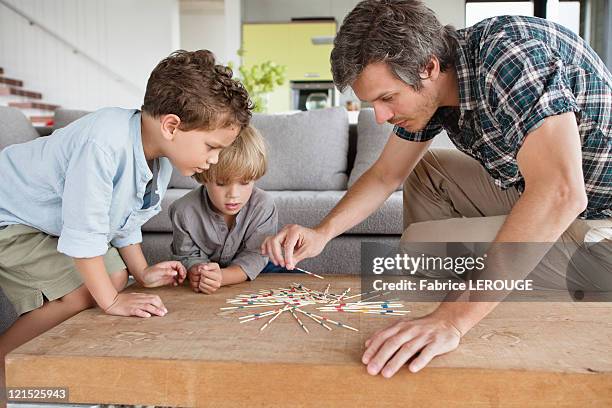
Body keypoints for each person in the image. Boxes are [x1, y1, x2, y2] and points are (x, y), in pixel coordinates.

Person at [261, 0, 611, 377]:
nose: (379, 116)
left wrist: (452, 319)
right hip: (558, 195)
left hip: (598, 228)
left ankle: (453, 317)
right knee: (428, 171)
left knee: (421, 246)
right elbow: (385, 175)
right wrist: (321, 233)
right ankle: (434, 311)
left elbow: (561, 193)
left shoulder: (510, 60)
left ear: (427, 67)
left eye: (387, 98)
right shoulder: (439, 82)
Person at [0, 50, 252, 361]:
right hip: (12, 217)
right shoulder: (102, 145)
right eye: (211, 147)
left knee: (116, 278)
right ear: (172, 126)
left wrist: (142, 272)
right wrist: (111, 303)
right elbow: (85, 234)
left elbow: (124, 219)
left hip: (49, 221)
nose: (214, 159)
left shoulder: (159, 158)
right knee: (90, 290)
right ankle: (6, 360)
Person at [170, 125, 280, 294]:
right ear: (204, 175)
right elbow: (186, 257)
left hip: (258, 271)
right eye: (221, 183)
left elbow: (255, 256)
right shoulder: (183, 211)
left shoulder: (263, 205)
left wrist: (223, 277)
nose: (233, 195)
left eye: (244, 183)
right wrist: (198, 272)